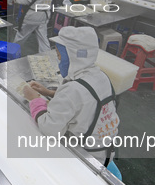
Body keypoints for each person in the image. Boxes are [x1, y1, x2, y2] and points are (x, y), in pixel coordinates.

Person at [22, 26, 121, 173]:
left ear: (73, 56)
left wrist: (34, 99)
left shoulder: (73, 90)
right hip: (107, 151)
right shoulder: (101, 76)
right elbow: (85, 100)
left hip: (87, 157)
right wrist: (49, 92)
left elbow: (49, 128)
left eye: (59, 55)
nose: (58, 59)